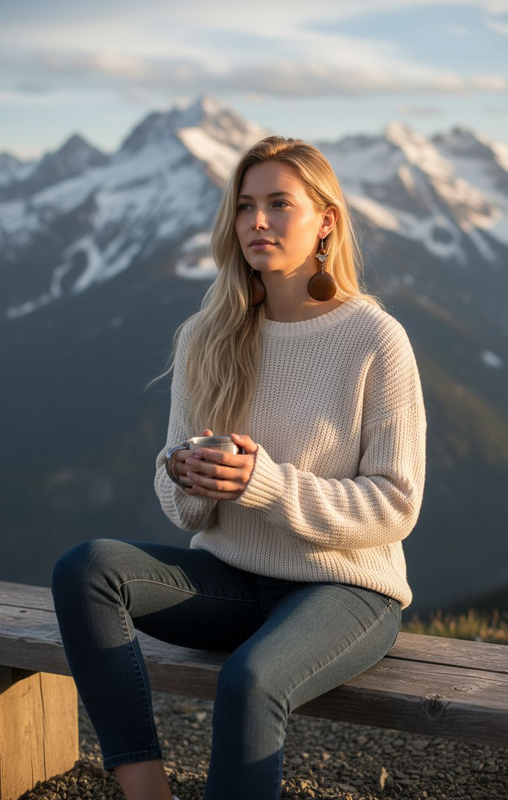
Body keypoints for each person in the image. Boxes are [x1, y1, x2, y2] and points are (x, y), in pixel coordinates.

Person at [51, 135, 427, 800]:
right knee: (85, 569)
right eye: (245, 206)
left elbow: (395, 503)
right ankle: (145, 791)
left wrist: (267, 484)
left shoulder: (374, 338)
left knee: (250, 681)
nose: (256, 221)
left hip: (344, 589)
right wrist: (186, 474)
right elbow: (182, 503)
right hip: (232, 578)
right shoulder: (208, 334)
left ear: (325, 221)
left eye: (279, 204)